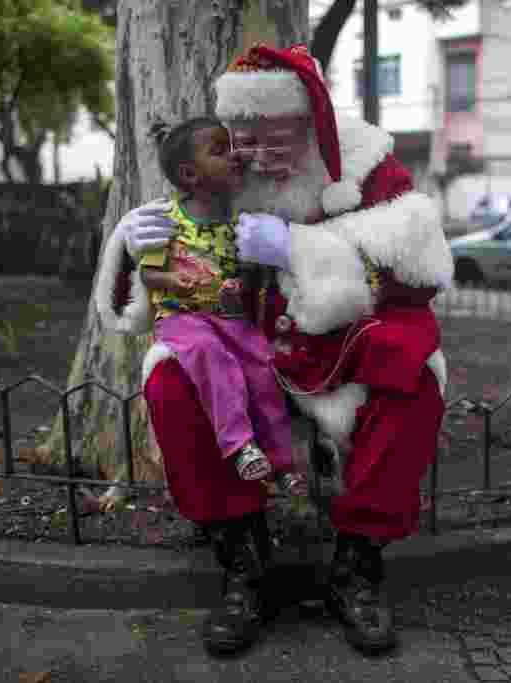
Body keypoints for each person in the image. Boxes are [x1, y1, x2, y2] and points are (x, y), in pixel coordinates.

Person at [97, 43, 453, 657]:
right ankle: (243, 564)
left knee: (414, 378)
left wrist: (297, 249)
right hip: (241, 346)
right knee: (171, 384)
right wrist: (130, 242)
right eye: (241, 137)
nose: (252, 155)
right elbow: (160, 266)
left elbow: (420, 273)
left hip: (342, 346)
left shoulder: (367, 164)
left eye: (269, 138)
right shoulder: (221, 164)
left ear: (308, 122)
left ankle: (356, 568)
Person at [132, 116, 302, 496]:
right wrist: (174, 279)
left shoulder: (237, 220)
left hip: (229, 317)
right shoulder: (167, 218)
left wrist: (239, 286)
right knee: (212, 355)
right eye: (220, 151)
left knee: (261, 364)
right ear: (190, 175)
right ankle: (240, 445)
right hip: (182, 319)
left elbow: (246, 272)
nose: (234, 157)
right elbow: (148, 274)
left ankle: (281, 462)